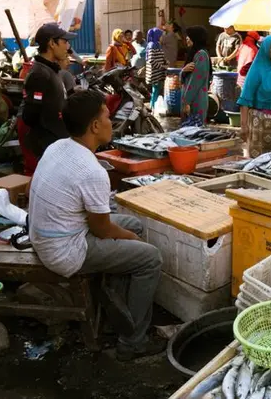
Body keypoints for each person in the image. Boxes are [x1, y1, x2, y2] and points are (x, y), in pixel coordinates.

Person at [28, 89, 165, 361]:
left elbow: (101, 223)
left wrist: (127, 235)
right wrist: (132, 241)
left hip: (48, 234)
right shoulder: (92, 171)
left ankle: (117, 303)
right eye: (106, 115)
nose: (110, 121)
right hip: (64, 251)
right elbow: (102, 229)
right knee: (150, 258)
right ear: (94, 125)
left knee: (134, 225)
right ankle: (132, 342)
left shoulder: (58, 146)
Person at [20, 23, 76, 175]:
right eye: (64, 42)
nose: (67, 46)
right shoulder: (40, 74)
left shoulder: (51, 70)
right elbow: (31, 115)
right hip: (47, 146)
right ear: (52, 43)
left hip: (58, 142)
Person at [180, 26, 212, 127]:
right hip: (190, 99)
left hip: (196, 100)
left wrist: (186, 101)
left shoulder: (201, 54)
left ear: (196, 38)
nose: (187, 38)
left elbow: (196, 81)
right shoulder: (193, 54)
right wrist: (183, 71)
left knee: (194, 133)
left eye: (189, 36)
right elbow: (184, 77)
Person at [145, 27, 168, 110]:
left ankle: (153, 106)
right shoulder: (151, 45)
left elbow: (160, 56)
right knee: (155, 90)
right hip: (155, 73)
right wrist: (161, 66)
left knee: (157, 90)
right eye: (161, 36)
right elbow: (151, 60)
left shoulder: (158, 44)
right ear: (157, 35)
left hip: (159, 72)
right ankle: (152, 107)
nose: (162, 37)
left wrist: (165, 61)